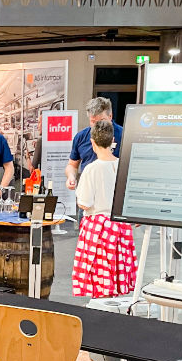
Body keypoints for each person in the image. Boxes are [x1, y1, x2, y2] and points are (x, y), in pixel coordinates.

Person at [71, 120, 137, 298]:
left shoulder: (91, 169)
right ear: (112, 140)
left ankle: (101, 307)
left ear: (92, 142)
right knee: (115, 272)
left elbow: (84, 203)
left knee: (100, 277)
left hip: (99, 229)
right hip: (121, 226)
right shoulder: (124, 166)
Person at [65, 97, 124, 191]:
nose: (98, 126)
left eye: (102, 121)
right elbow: (72, 165)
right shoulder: (81, 137)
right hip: (88, 190)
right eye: (93, 122)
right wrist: (71, 177)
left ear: (110, 116)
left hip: (114, 192)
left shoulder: (124, 135)